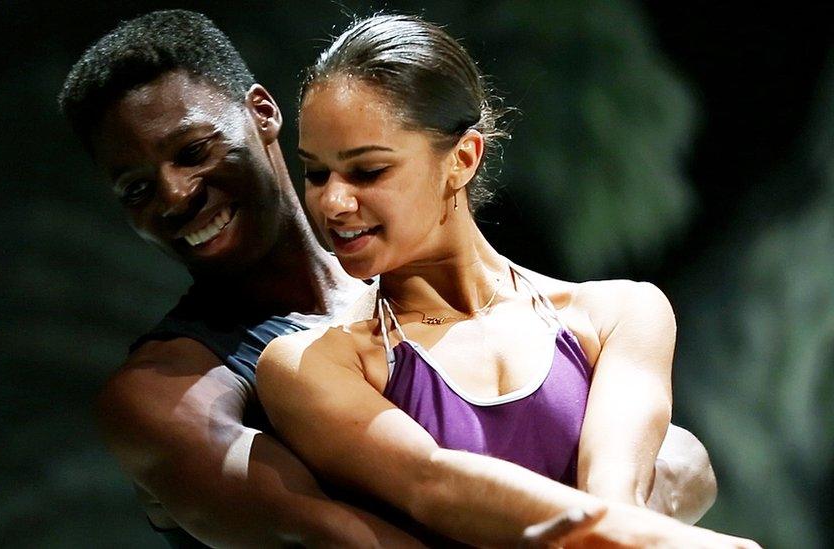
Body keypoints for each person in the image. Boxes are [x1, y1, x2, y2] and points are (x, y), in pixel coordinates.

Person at [59, 9, 720, 547]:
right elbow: (328, 536)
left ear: (261, 113)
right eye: (138, 187)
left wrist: (625, 514)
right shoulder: (167, 390)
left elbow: (682, 460)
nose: (174, 195)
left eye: (194, 150)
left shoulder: (422, 301)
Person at [257, 14, 759, 548]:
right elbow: (433, 484)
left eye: (368, 171)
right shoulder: (309, 365)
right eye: (316, 173)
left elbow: (616, 501)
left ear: (463, 159)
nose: (333, 202)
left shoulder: (621, 314)